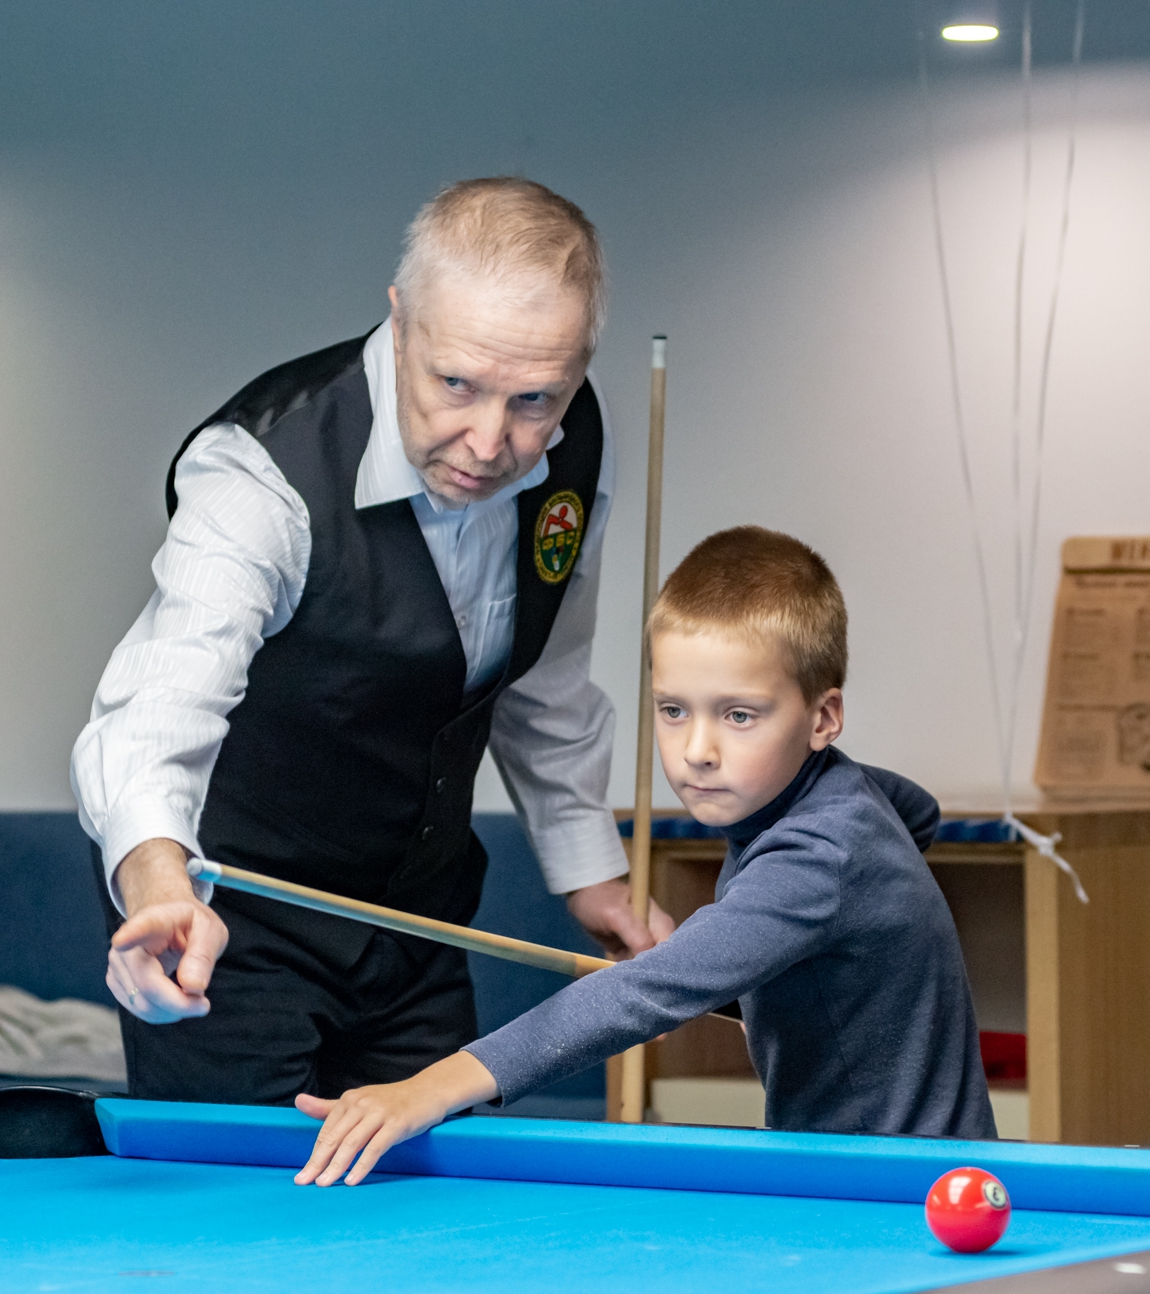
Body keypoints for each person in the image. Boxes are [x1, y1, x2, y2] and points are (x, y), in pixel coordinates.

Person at [71, 178, 670, 1108]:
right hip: (228, 930)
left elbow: (542, 670)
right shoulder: (261, 472)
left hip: (419, 926)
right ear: (400, 323)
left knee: (432, 1187)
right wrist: (157, 885)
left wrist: (591, 872)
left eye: (533, 399)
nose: (489, 442)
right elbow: (158, 704)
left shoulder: (575, 446)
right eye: (456, 384)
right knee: (239, 1196)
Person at [294, 525, 997, 1185]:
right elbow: (919, 812)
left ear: (824, 718)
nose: (698, 750)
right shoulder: (847, 800)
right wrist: (772, 960)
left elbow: (643, 993)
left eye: (739, 715)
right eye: (673, 710)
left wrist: (428, 1088)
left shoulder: (818, 855)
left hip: (894, 1189)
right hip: (877, 1169)